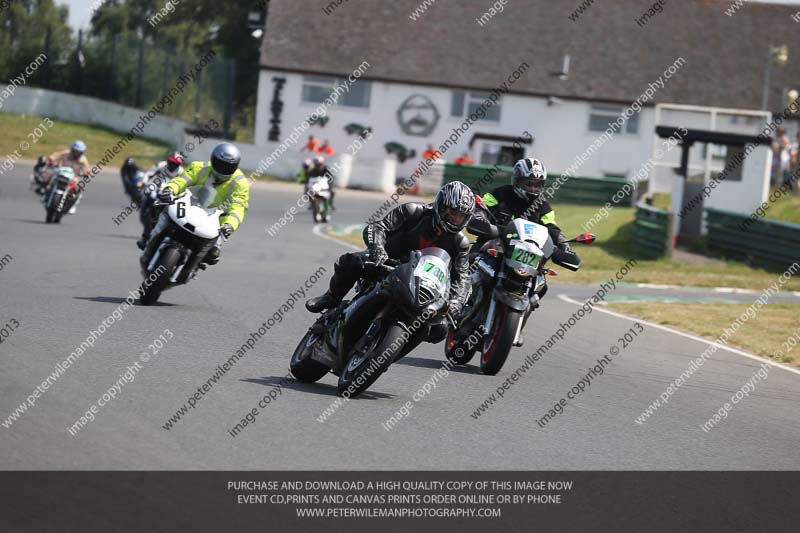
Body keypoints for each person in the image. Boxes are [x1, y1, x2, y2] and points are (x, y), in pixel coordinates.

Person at [305, 181, 476, 341]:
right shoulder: (414, 211)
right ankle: (331, 297)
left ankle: (394, 344)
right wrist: (377, 248)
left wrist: (456, 302)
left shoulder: (459, 243)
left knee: (440, 329)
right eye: (453, 212)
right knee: (351, 262)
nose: (456, 219)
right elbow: (377, 227)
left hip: (422, 285)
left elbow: (462, 278)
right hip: (385, 265)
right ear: (441, 206)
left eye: (461, 216)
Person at [140, 143, 249, 267]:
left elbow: (238, 207)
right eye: (220, 164)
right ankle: (149, 245)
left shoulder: (241, 184)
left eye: (228, 167)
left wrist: (230, 225)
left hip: (215, 218)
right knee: (162, 209)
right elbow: (181, 181)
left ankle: (195, 265)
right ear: (213, 159)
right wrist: (169, 190)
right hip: (188, 205)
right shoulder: (199, 167)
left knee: (213, 254)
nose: (222, 169)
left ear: (235, 166)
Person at [137, 152, 186, 248]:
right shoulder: (161, 165)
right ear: (168, 161)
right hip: (155, 189)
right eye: (171, 163)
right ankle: (147, 235)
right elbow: (149, 174)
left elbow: (184, 184)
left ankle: (148, 238)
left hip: (167, 193)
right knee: (145, 214)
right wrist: (143, 182)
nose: (172, 166)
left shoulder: (181, 172)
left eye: (175, 164)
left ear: (178, 165)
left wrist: (180, 195)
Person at [48, 140, 90, 214]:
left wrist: (86, 174)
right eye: (75, 151)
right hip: (61, 173)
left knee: (78, 190)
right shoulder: (66, 153)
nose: (76, 153)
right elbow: (54, 155)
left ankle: (73, 205)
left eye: (79, 152)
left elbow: (87, 169)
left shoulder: (83, 160)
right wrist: (52, 160)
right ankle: (46, 195)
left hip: (73, 178)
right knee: (50, 180)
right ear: (72, 149)